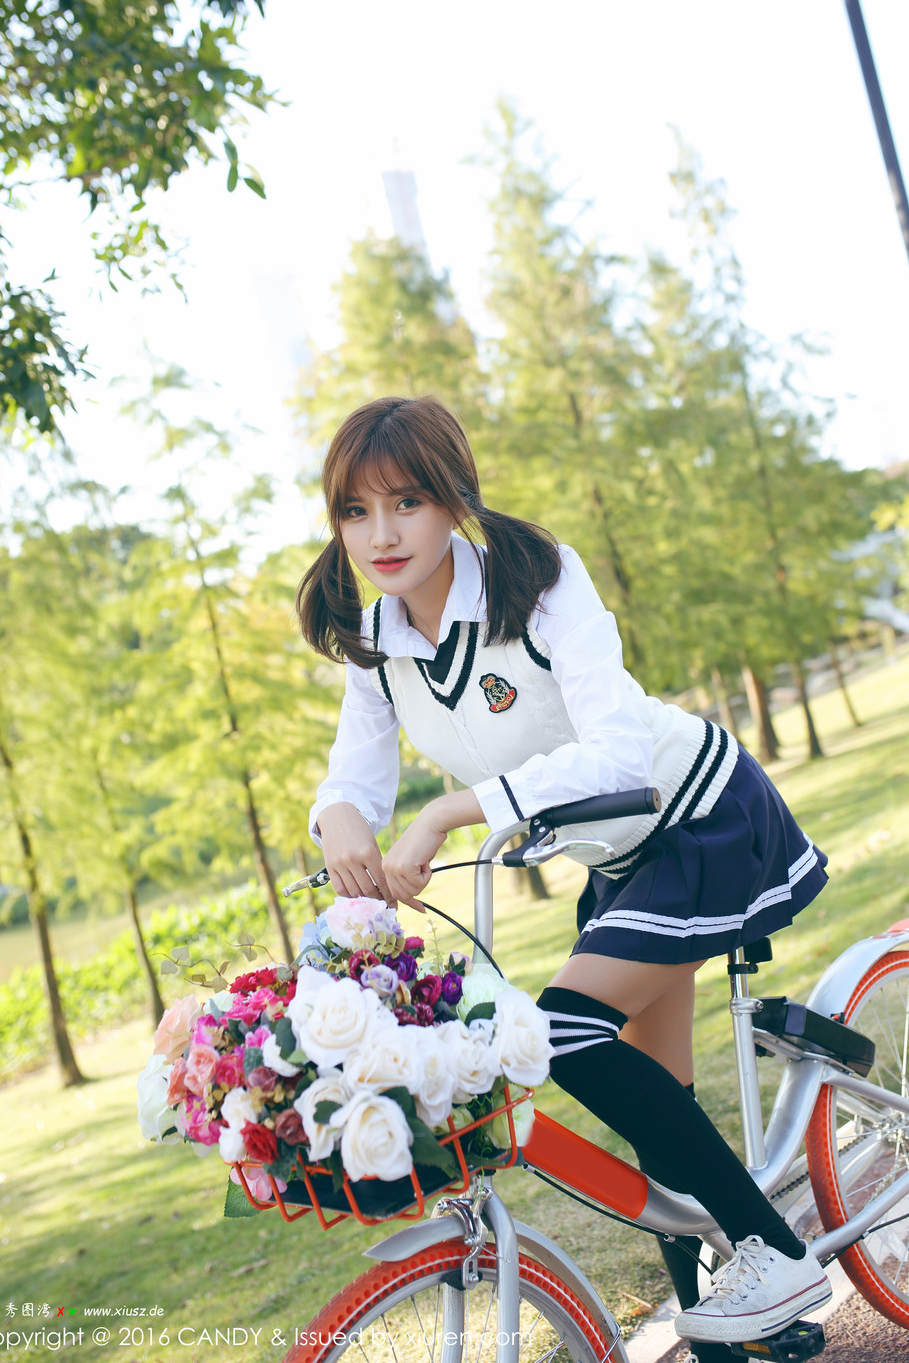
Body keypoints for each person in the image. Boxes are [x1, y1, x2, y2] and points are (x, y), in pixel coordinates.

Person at [297, 394, 832, 1356]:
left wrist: (449, 810)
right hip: (618, 858)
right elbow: (354, 778)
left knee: (566, 1033)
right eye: (355, 510)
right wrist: (339, 818)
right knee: (660, 1120)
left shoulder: (536, 578)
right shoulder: (378, 641)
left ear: (454, 498)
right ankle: (728, 1333)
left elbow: (619, 751)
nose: (381, 534)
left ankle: (778, 1253)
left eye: (407, 502)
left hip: (696, 816)